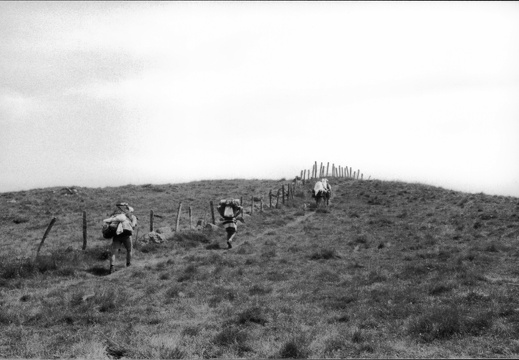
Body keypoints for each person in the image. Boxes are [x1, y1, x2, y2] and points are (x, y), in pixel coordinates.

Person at [103, 202, 138, 274]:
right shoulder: (130, 215)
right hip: (126, 236)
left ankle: (112, 267)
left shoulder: (115, 215)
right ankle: (128, 264)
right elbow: (134, 225)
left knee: (114, 252)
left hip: (116, 235)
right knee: (129, 250)